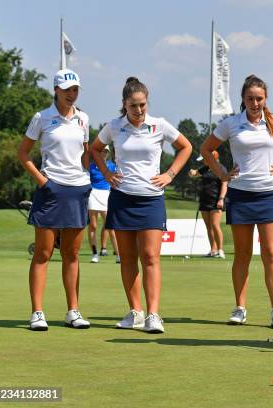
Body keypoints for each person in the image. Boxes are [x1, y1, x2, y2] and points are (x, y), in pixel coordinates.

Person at [200, 74, 273, 328]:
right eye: (250, 98)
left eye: (259, 98)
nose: (255, 103)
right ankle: (240, 308)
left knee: (270, 253)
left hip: (270, 194)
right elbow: (205, 149)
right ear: (243, 99)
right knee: (243, 255)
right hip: (240, 195)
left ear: (265, 99)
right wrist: (222, 174)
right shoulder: (231, 123)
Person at [90, 77, 192, 333]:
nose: (138, 110)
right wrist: (106, 173)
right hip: (122, 198)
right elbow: (95, 149)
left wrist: (169, 175)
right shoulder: (113, 126)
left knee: (150, 257)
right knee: (127, 258)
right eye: (133, 105)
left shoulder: (159, 125)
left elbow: (185, 147)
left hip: (151, 199)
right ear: (124, 104)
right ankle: (135, 312)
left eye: (143, 105)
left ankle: (153, 315)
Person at [18, 69, 92, 331]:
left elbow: (84, 155)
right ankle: (37, 312)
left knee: (72, 254)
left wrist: (90, 173)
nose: (72, 94)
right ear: (56, 90)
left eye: (75, 90)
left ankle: (73, 310)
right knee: (43, 253)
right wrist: (43, 182)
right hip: (51, 189)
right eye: (67, 90)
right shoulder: (42, 117)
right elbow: (24, 153)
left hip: (77, 189)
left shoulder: (83, 119)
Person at [188, 150, 228, 258]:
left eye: (204, 159)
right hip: (204, 200)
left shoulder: (220, 168)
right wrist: (191, 173)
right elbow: (195, 174)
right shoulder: (205, 168)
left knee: (215, 225)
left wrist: (221, 198)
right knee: (209, 227)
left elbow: (225, 184)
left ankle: (220, 250)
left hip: (216, 200)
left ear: (212, 158)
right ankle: (213, 250)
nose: (203, 161)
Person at [87, 145, 120, 263]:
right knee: (93, 225)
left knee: (110, 226)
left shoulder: (112, 166)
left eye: (105, 152)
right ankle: (95, 254)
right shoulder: (91, 167)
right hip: (93, 194)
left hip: (106, 194)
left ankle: (118, 255)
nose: (103, 154)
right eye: (101, 151)